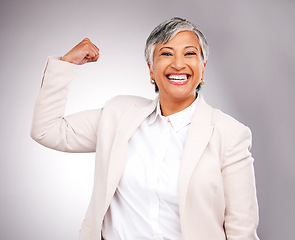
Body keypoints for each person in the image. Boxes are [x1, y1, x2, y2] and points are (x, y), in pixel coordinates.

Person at [31, 17, 259, 240]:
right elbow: (47, 129)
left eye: (189, 53)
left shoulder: (229, 134)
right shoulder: (118, 115)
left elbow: (241, 231)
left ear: (203, 68)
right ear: (151, 69)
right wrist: (66, 65)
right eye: (166, 53)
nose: (178, 64)